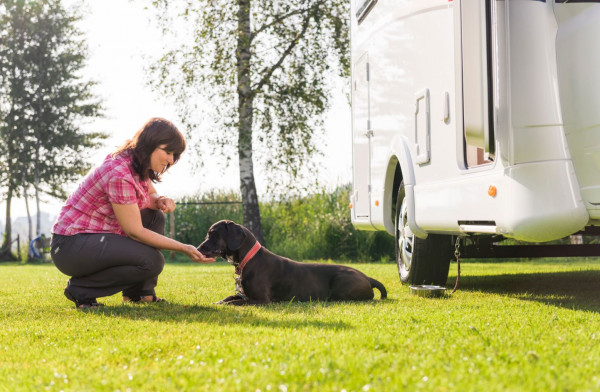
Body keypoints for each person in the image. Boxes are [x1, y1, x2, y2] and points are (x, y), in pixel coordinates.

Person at [51, 117, 214, 309]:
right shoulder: (120, 173)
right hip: (71, 245)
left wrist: (160, 200)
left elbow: (148, 198)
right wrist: (183, 247)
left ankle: (139, 295)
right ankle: (81, 290)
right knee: (152, 262)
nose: (171, 160)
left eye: (174, 154)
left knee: (154, 216)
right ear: (151, 143)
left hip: (91, 239)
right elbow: (134, 231)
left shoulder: (137, 166)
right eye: (168, 152)